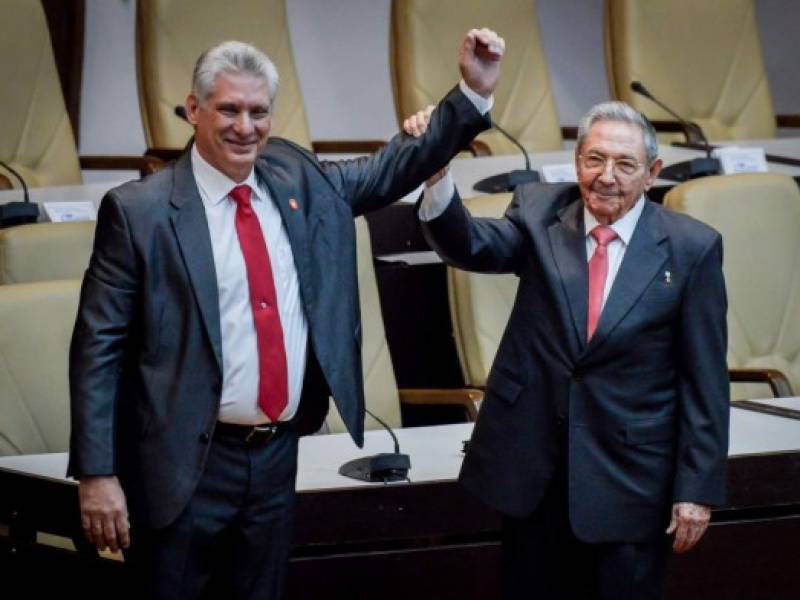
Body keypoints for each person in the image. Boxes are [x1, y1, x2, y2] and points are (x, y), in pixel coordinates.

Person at [68, 29, 504, 599]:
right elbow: (97, 346)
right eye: (228, 109)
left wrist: (469, 94)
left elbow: (389, 170)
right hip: (182, 464)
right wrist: (98, 474)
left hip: (274, 457)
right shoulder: (139, 211)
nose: (244, 127)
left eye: (258, 111)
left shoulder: (296, 176)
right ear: (194, 110)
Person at [404, 100, 729, 599]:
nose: (607, 177)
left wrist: (696, 490)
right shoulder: (538, 212)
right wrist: (437, 173)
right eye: (595, 160)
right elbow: (467, 244)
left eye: (625, 164)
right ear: (577, 161)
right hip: (536, 474)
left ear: (652, 174)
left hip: (631, 480)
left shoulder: (692, 248)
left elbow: (704, 380)